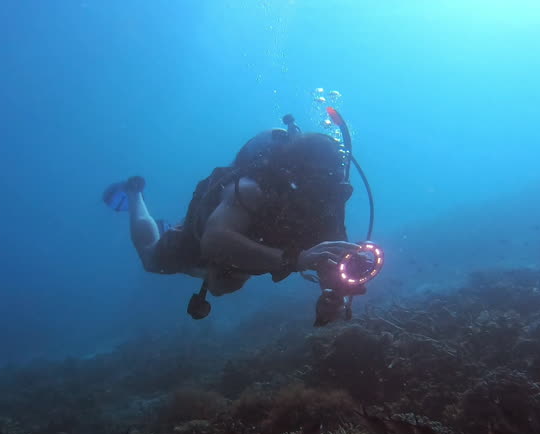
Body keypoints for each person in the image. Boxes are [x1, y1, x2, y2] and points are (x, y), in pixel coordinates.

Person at [104, 119, 361, 312]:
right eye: (319, 184)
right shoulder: (251, 188)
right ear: (299, 175)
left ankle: (216, 267)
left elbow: (331, 263)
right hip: (206, 235)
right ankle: (134, 193)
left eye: (333, 185)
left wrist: (336, 294)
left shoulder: (329, 201)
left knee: (224, 285)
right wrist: (299, 259)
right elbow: (214, 240)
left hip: (253, 245)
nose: (328, 195)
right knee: (150, 259)